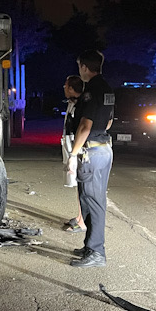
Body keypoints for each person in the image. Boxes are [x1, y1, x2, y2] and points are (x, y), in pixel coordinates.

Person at [67, 49, 114, 268]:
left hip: (91, 152)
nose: (80, 70)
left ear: (85, 67)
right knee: (89, 200)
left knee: (93, 202)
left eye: (80, 67)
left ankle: (96, 252)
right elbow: (109, 122)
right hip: (103, 148)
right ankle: (90, 246)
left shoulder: (91, 91)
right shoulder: (107, 89)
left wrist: (73, 154)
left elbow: (85, 125)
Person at [61, 75, 86, 233]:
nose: (64, 87)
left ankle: (82, 221)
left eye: (66, 85)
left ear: (71, 88)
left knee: (82, 185)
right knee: (78, 184)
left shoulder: (81, 106)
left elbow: (81, 129)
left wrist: (73, 154)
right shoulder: (73, 103)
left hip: (77, 148)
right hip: (71, 146)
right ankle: (79, 216)